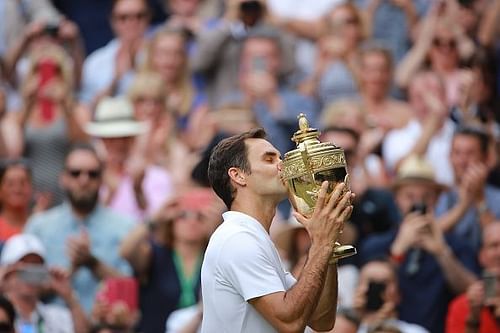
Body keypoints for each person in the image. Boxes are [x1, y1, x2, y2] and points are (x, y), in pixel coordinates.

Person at [201, 128, 354, 332]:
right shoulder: (237, 239)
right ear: (238, 176)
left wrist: (328, 247)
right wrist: (321, 244)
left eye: (280, 158)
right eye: (269, 159)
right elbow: (290, 323)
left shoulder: (253, 237)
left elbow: (321, 320)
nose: (283, 165)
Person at [360, 155, 478, 333]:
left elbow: (473, 295)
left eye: (426, 197)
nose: (418, 204)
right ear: (396, 199)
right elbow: (369, 297)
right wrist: (398, 251)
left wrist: (441, 252)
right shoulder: (375, 245)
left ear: (437, 200)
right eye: (410, 196)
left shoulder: (456, 245)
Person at [24, 143, 135, 313]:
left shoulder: (125, 227)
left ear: (101, 179)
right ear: (63, 178)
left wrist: (93, 263)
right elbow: (22, 287)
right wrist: (65, 274)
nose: (84, 180)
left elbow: (130, 289)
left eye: (93, 174)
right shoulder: (39, 226)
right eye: (75, 173)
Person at [120, 188, 224, 333]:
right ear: (171, 221)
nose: (191, 221)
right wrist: (156, 218)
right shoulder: (156, 254)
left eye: (200, 216)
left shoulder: (215, 257)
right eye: (183, 215)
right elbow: (126, 250)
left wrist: (219, 227)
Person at [0, 234, 89, 333]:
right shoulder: (2, 315)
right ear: (7, 272)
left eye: (36, 267)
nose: (31, 275)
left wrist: (69, 297)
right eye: (23, 267)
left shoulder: (57, 316)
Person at [435, 126, 500, 253]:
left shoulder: (497, 198)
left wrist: (480, 199)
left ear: (486, 158)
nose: (462, 161)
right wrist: (463, 205)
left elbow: (497, 244)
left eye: (470, 153)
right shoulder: (440, 196)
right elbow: (433, 235)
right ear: (449, 157)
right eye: (457, 153)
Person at [446, 222, 500, 333]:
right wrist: (473, 318)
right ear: (482, 256)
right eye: (493, 246)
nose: (499, 252)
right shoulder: (463, 306)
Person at [353, 259, 428, 333]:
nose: (377, 289)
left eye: (384, 283)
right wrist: (355, 319)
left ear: (398, 293)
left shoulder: (416, 331)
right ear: (357, 289)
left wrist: (387, 326)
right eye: (371, 283)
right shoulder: (346, 327)